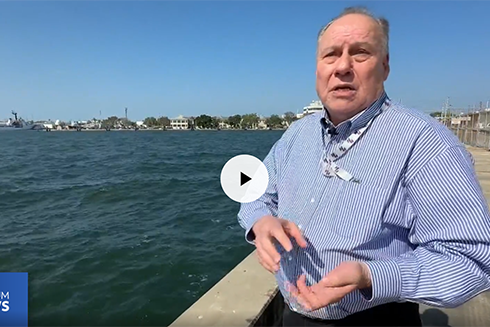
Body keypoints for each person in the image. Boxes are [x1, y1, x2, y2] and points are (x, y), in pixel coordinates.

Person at [237, 6, 490, 327]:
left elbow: (470, 262)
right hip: (294, 315)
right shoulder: (296, 134)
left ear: (385, 67)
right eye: (330, 55)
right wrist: (260, 221)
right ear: (317, 68)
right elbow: (254, 190)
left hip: (376, 317)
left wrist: (371, 275)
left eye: (360, 53)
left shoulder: (426, 143)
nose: (342, 66)